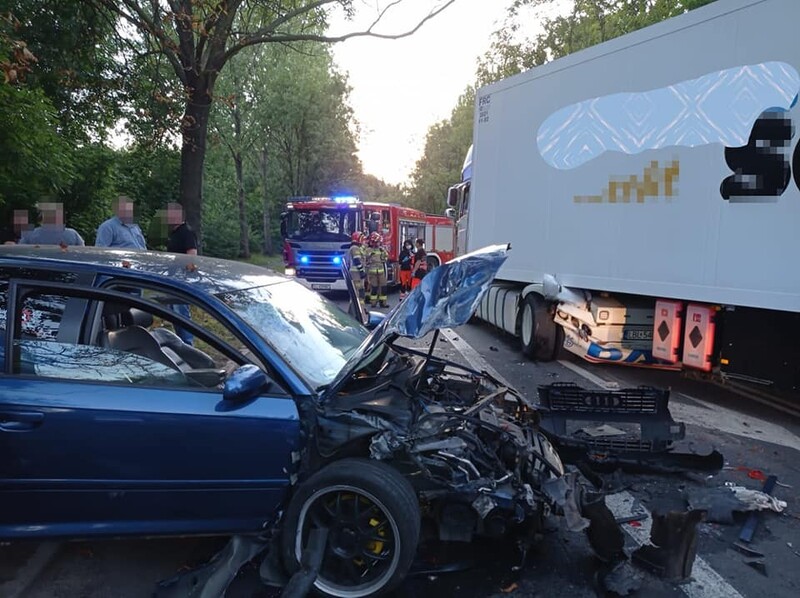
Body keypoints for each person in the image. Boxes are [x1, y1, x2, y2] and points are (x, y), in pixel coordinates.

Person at [166, 202, 197, 345]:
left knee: (181, 313)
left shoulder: (187, 232)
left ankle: (188, 345)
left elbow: (192, 257)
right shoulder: (174, 233)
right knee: (174, 313)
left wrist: (185, 276)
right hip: (171, 279)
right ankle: (181, 344)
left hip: (181, 280)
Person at [20, 203, 85, 246]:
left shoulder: (31, 234)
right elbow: (81, 251)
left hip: (36, 266)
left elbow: (20, 251)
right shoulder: (73, 235)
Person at [365, 231, 389, 308]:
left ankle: (383, 303)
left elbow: (386, 256)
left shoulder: (381, 249)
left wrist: (384, 258)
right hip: (372, 272)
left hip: (381, 271)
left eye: (378, 242)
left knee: (383, 287)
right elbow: (365, 259)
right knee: (374, 287)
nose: (377, 243)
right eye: (376, 242)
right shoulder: (368, 250)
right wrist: (369, 257)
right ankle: (373, 303)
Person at [348, 231, 366, 305]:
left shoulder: (357, 248)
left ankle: (361, 308)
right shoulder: (355, 248)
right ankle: (357, 309)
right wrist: (361, 271)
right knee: (358, 291)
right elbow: (357, 260)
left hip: (357, 273)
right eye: (362, 239)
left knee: (360, 291)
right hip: (356, 273)